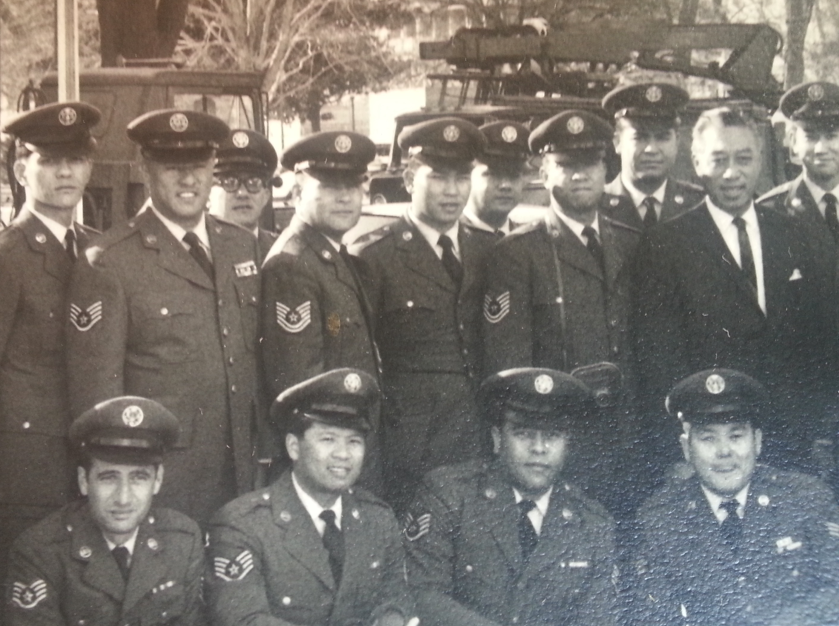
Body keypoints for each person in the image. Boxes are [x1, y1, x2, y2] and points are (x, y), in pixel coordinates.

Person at [66, 109, 262, 525]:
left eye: (199, 167)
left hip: (244, 473)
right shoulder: (110, 262)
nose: (188, 180)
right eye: (173, 168)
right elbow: (98, 398)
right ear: (145, 168)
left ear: (213, 168)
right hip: (163, 481)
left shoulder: (242, 246)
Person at [633, 107, 834, 479]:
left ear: (760, 160)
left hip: (791, 444)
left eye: (744, 159)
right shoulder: (667, 243)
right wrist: (677, 452)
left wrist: (819, 431)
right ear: (696, 162)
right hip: (711, 447)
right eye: (719, 159)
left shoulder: (792, 233)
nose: (732, 173)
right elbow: (658, 358)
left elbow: (818, 344)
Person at [0, 101, 101, 624]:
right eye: (48, 160)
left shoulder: (95, 249)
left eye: (75, 158)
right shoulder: (0, 261)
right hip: (20, 485)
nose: (65, 172)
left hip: (80, 475)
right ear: (22, 171)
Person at [481, 110, 641, 519]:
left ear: (606, 169)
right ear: (544, 172)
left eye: (589, 164)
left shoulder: (632, 244)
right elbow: (509, 366)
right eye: (566, 166)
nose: (579, 175)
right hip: (560, 443)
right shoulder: (518, 253)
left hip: (630, 441)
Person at [352, 118, 494, 512]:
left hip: (479, 441)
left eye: (461, 178)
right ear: (410, 177)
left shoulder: (488, 250)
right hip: (411, 450)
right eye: (438, 177)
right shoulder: (374, 256)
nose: (452, 191)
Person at [404, 367, 615, 626]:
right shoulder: (450, 496)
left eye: (552, 436)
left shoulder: (593, 524)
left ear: (567, 444)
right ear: (497, 438)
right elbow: (422, 597)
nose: (539, 448)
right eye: (524, 434)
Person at [206, 368, 415, 626]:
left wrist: (392, 619)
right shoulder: (243, 525)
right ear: (294, 447)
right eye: (328, 439)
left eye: (354, 442)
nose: (343, 454)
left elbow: (395, 597)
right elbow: (244, 619)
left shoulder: (378, 519)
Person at [631, 369, 839, 626]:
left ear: (758, 442)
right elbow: (652, 614)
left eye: (736, 436)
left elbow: (834, 594)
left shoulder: (806, 499)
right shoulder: (659, 519)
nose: (724, 452)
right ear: (687, 448)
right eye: (708, 438)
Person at [6, 396, 204, 626]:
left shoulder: (183, 541)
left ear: (158, 480)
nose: (123, 498)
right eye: (108, 478)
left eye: (139, 478)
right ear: (84, 481)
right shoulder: (40, 552)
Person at [261, 131, 380, 398]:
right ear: (297, 195)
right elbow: (299, 383)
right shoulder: (291, 265)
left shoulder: (332, 253)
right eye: (329, 186)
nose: (344, 197)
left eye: (352, 185)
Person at [600, 83, 704, 228]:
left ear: (677, 141)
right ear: (617, 142)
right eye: (640, 138)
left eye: (662, 138)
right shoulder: (595, 206)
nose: (651, 149)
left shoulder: (699, 204)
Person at [758, 81, 839, 249]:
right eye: (810, 137)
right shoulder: (769, 212)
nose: (820, 149)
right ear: (794, 142)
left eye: (831, 136)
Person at [210, 128, 280, 260]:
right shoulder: (200, 253)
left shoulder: (280, 251)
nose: (242, 193)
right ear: (210, 193)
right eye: (230, 182)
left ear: (266, 196)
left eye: (253, 183)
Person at [461, 120, 533, 235]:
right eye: (493, 174)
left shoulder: (532, 241)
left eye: (514, 176)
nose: (506, 185)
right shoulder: (449, 240)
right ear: (467, 178)